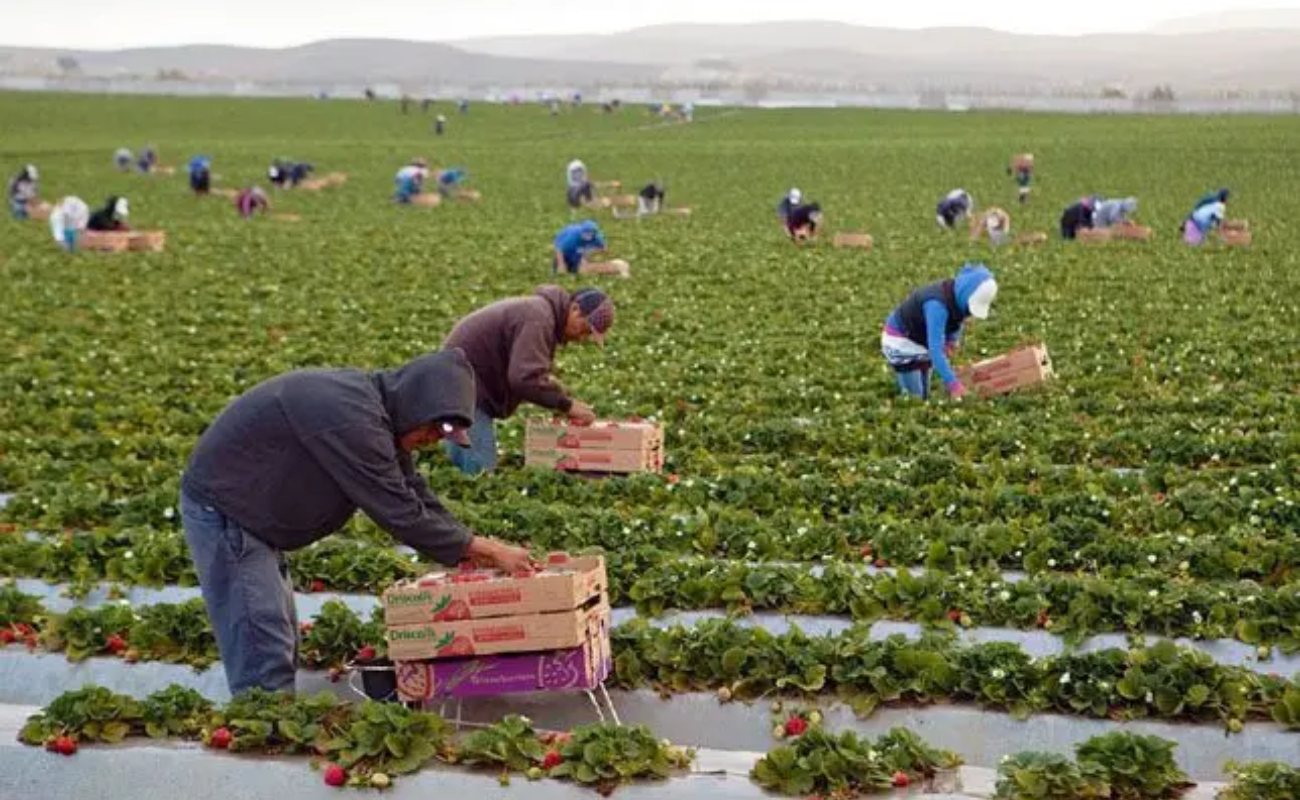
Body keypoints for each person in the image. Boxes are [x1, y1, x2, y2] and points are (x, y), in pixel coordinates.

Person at [180, 349, 534, 694]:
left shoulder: (378, 414)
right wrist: (481, 547)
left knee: (279, 630)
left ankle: (270, 716)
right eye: (436, 427)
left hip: (256, 513)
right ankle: (262, 731)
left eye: (445, 436)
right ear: (418, 404)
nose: (433, 440)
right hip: (228, 509)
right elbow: (396, 508)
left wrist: (469, 547)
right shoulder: (351, 417)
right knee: (261, 636)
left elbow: (411, 490)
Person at [441, 287, 613, 474]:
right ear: (575, 309)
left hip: (466, 384)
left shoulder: (541, 314)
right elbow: (524, 378)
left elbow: (528, 370)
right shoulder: (538, 319)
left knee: (475, 469)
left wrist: (553, 389)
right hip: (460, 387)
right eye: (585, 329)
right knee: (476, 474)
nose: (581, 338)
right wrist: (567, 405)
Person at [881, 263, 998, 401]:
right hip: (900, 342)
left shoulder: (956, 296)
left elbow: (957, 318)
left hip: (920, 340)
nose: (970, 313)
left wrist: (951, 341)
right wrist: (954, 385)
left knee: (925, 394)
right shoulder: (936, 306)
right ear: (965, 294)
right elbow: (935, 350)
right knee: (915, 398)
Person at [552, 220, 617, 275]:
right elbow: (559, 249)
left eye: (591, 233)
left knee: (576, 270)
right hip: (562, 244)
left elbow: (604, 248)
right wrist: (561, 264)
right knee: (560, 269)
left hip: (579, 249)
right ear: (582, 232)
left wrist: (589, 252)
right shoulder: (572, 237)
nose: (588, 235)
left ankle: (576, 264)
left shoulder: (597, 237)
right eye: (586, 232)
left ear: (594, 233)